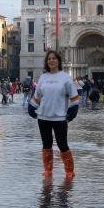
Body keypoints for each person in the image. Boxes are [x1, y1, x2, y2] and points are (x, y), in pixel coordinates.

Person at [29, 50, 80, 179]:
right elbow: (37, 96)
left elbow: (75, 98)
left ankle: (69, 171)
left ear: (58, 61)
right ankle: (48, 170)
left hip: (60, 118)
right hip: (43, 117)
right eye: (49, 59)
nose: (51, 61)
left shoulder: (66, 78)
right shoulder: (43, 77)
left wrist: (71, 113)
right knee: (46, 145)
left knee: (63, 145)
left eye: (54, 58)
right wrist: (32, 107)